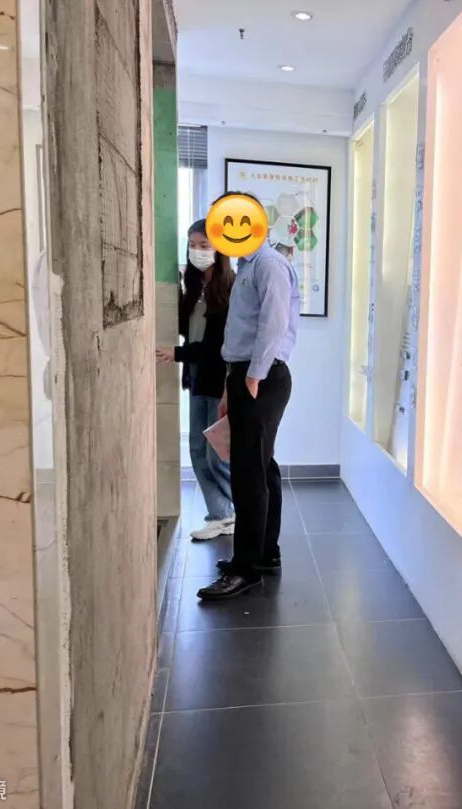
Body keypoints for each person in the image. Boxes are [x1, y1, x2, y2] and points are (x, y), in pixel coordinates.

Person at [198, 193, 301, 600]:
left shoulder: (269, 265)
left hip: (263, 376)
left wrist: (254, 376)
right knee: (261, 466)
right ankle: (265, 553)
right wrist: (232, 384)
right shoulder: (247, 266)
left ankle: (246, 569)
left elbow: (274, 323)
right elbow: (240, 334)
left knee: (248, 473)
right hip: (246, 375)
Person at [156, 220, 237, 541]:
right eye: (192, 245)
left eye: (204, 245)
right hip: (197, 379)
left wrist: (176, 353)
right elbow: (186, 329)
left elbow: (217, 347)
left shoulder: (229, 288)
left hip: (221, 382)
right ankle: (221, 514)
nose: (197, 251)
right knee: (197, 449)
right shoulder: (194, 286)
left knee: (216, 452)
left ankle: (229, 513)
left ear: (219, 250)